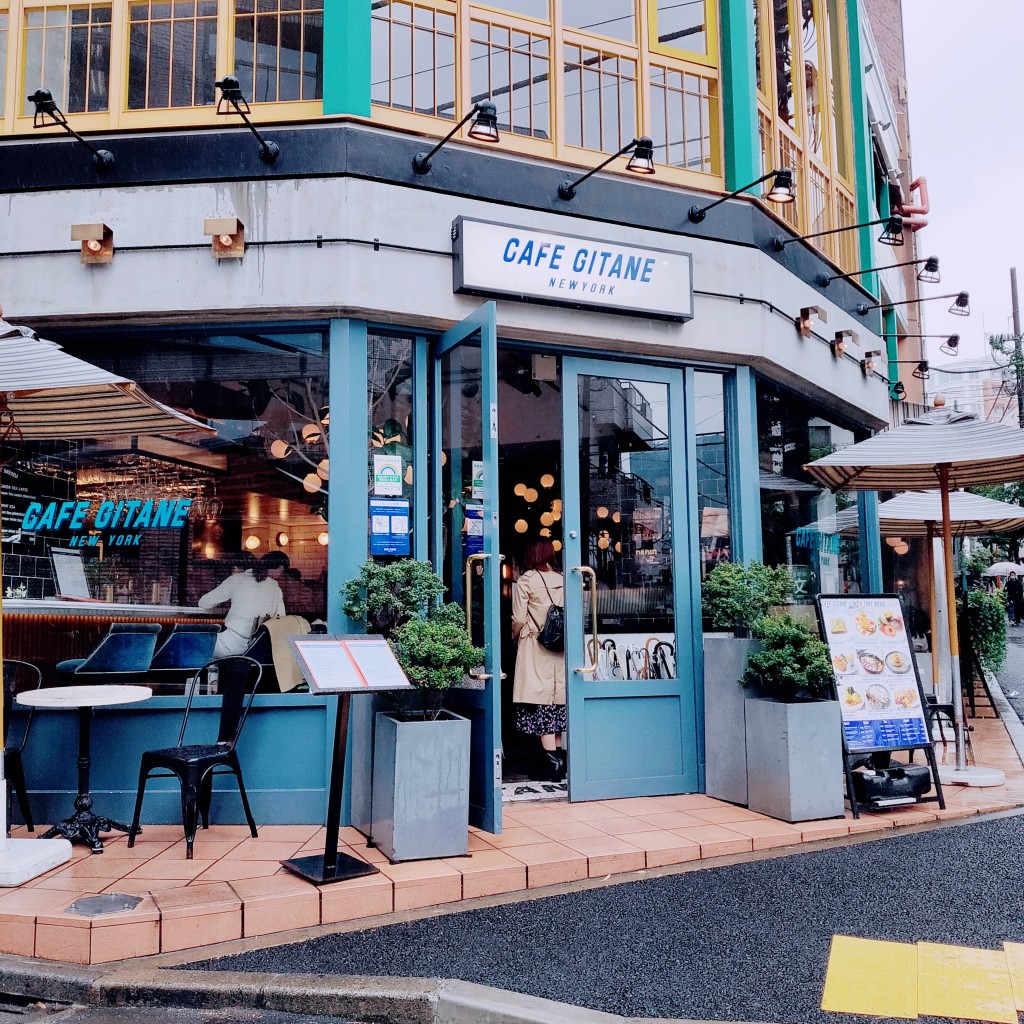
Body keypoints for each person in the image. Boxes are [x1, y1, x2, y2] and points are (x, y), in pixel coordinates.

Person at [511, 539, 566, 782]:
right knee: (557, 704)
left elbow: (519, 617)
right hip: (562, 647)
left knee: (541, 704)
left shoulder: (527, 580)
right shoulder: (565, 578)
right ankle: (558, 762)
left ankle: (552, 766)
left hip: (535, 647)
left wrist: (515, 636)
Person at [199, 550, 288, 656]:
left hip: (231, 643)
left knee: (200, 646)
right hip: (257, 647)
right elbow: (281, 618)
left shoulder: (236, 579)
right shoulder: (275, 587)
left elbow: (204, 603)